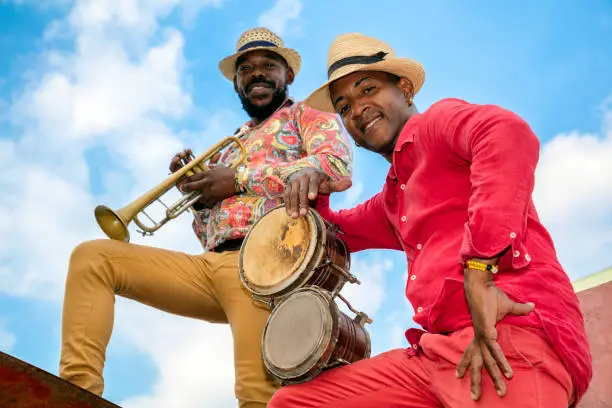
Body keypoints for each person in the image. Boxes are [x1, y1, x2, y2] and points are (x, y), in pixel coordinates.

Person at [275, 33, 592, 408]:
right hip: (436, 356)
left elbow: (506, 131)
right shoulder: (394, 198)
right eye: (343, 107)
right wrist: (312, 188)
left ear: (405, 89)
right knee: (291, 403)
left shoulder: (437, 124)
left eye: (368, 90)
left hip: (508, 333)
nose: (357, 110)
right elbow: (333, 234)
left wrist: (479, 267)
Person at [58, 27, 352, 408]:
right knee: (92, 258)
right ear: (237, 83)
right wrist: (199, 199)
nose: (257, 73)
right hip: (212, 265)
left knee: (258, 396)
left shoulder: (307, 116)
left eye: (268, 65)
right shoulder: (233, 143)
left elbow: (335, 166)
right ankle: (74, 396)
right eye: (246, 69)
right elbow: (213, 231)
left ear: (288, 76)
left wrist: (239, 178)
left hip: (268, 270)